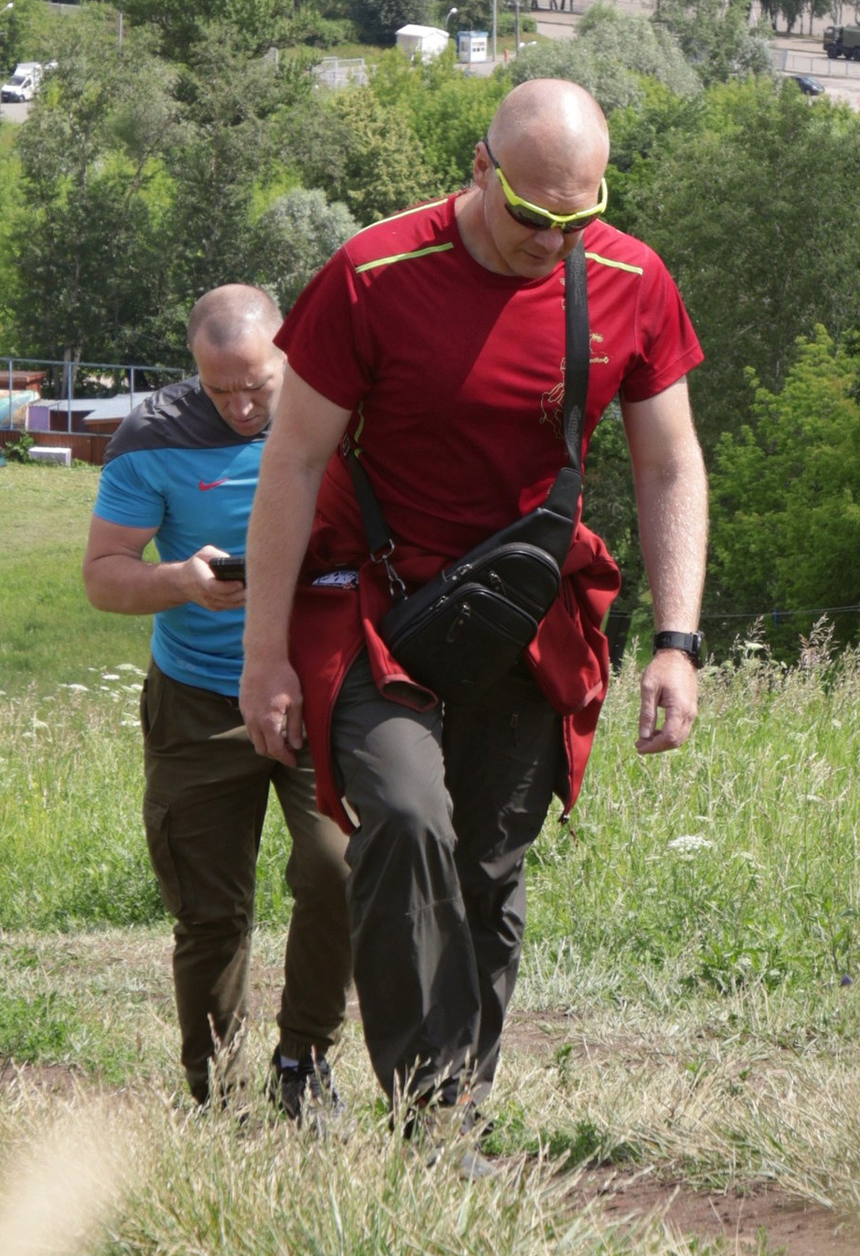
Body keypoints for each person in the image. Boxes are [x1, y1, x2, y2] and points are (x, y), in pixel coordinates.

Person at [236, 75, 708, 1128]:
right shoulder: (372, 274)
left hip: (526, 616)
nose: (553, 239)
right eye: (532, 214)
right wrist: (261, 652)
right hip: (373, 607)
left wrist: (675, 641)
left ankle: (456, 1115)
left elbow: (670, 463)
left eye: (576, 217)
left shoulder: (630, 276)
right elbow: (294, 463)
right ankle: (427, 1103)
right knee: (404, 820)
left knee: (492, 869)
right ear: (481, 168)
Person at [83, 283, 353, 1114]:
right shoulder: (150, 438)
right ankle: (219, 1088)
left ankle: (304, 1062)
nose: (239, 406)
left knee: (338, 872)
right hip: (199, 701)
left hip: (319, 692)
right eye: (218, 388)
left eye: (257, 386)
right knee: (209, 912)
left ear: (289, 357)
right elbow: (102, 577)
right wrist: (177, 582)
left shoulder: (343, 414)